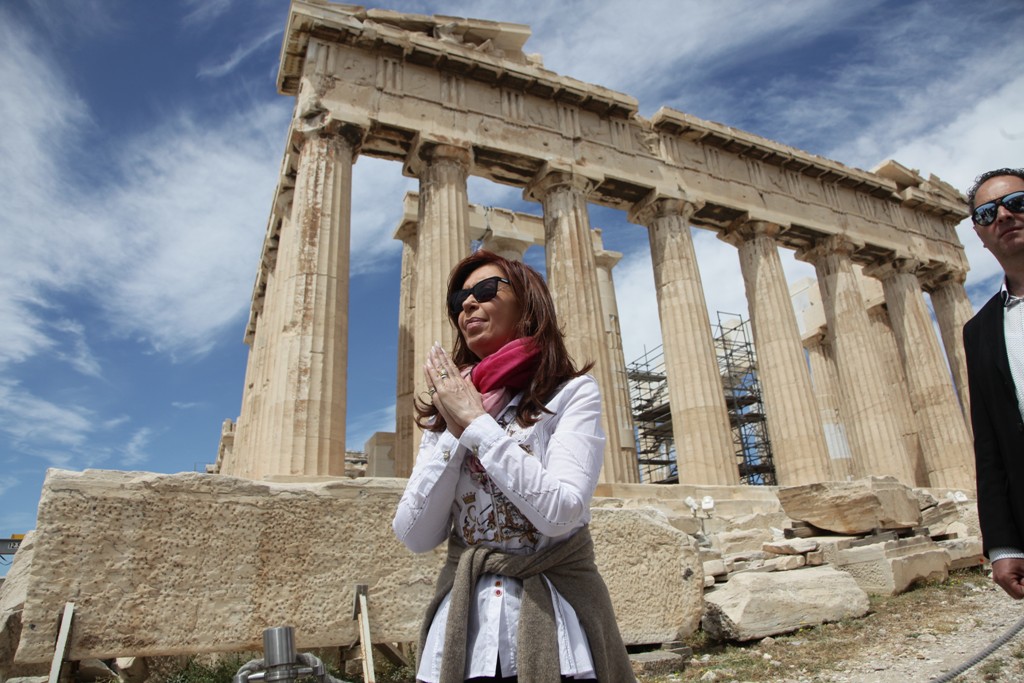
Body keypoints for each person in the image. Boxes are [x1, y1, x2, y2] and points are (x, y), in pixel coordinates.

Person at [392, 250, 635, 683]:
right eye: (458, 300)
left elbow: (560, 513)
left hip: (560, 629)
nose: (468, 304)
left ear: (527, 303)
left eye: (485, 291)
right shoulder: (447, 408)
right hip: (465, 633)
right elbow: (414, 534)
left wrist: (477, 426)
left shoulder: (572, 395)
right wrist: (454, 428)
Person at [963, 167, 1024, 600]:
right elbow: (991, 445)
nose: (1003, 216)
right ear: (979, 233)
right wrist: (1003, 543)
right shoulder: (980, 329)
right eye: (988, 212)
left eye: (1017, 203)